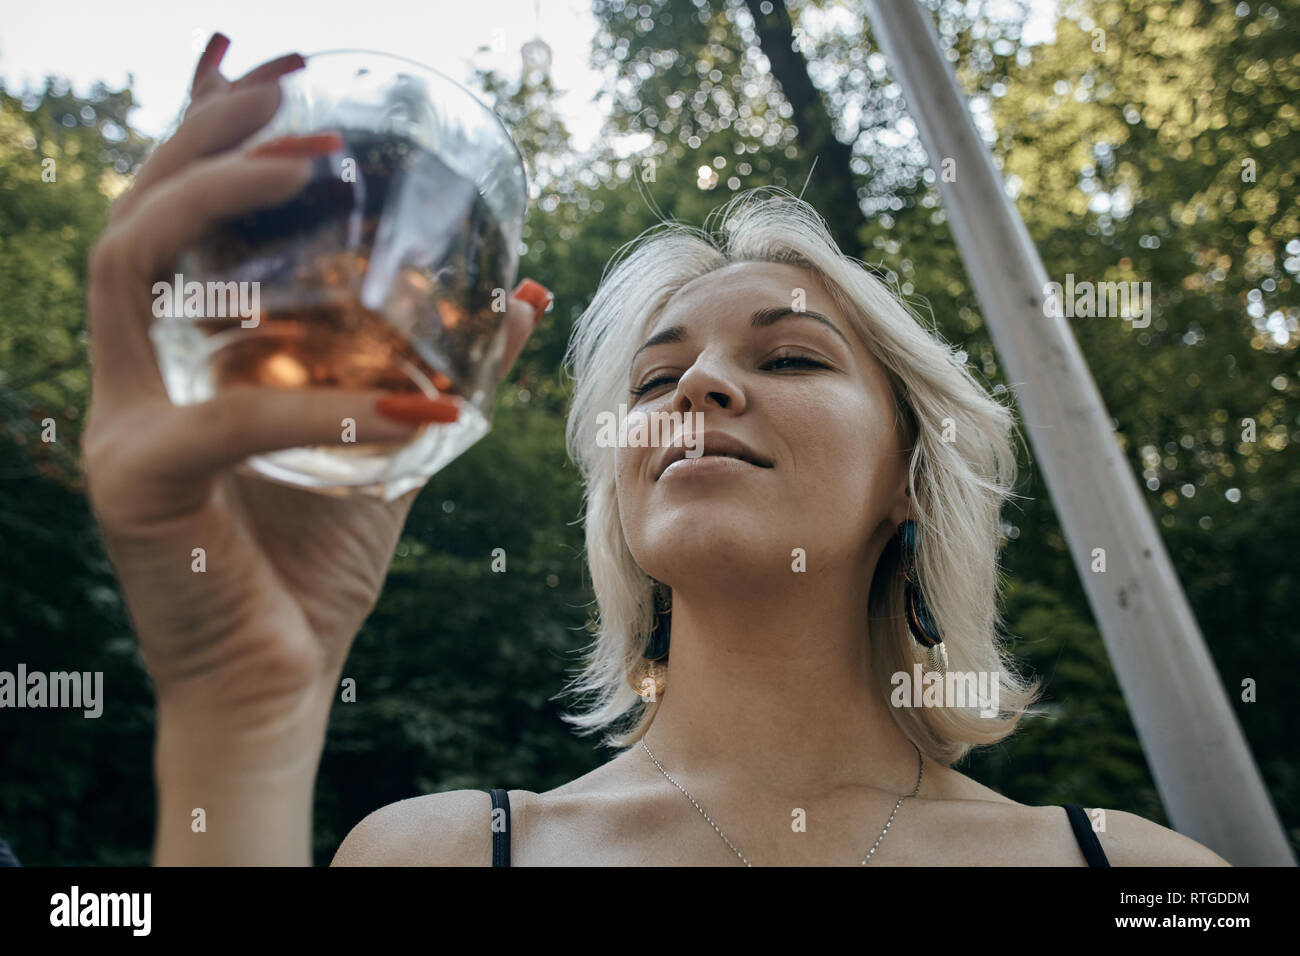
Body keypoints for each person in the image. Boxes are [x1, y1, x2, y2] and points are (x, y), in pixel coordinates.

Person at [85, 33, 1230, 867]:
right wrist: (243, 708)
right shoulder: (439, 852)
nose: (698, 384)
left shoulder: (1141, 874)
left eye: (789, 358)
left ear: (908, 473)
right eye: (653, 378)